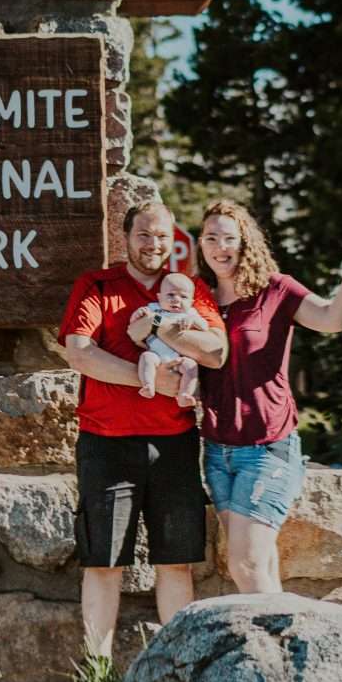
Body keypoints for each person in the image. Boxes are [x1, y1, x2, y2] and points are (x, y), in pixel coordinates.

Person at [196, 199, 342, 594]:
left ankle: (267, 651)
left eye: (229, 238)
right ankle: (281, 646)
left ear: (245, 242)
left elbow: (331, 320)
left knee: (246, 561)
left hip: (266, 447)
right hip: (218, 451)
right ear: (201, 245)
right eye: (211, 238)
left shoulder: (276, 289)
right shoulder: (198, 297)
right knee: (260, 560)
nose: (220, 246)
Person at [59, 202, 228, 658]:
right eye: (144, 236)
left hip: (174, 444)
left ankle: (180, 670)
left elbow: (216, 352)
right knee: (104, 562)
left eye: (161, 237)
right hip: (107, 443)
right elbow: (79, 352)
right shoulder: (97, 285)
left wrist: (162, 328)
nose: (153, 245)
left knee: (176, 564)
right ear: (126, 237)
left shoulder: (189, 288)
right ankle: (97, 676)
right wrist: (148, 377)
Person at [131, 271, 209, 407]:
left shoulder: (190, 313)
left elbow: (204, 327)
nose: (176, 299)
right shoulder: (154, 309)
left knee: (191, 367)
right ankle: (148, 385)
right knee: (146, 358)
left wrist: (192, 321)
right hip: (156, 353)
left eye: (183, 297)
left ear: (191, 302)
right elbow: (134, 325)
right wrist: (138, 314)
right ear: (159, 298)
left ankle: (185, 394)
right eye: (171, 294)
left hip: (180, 356)